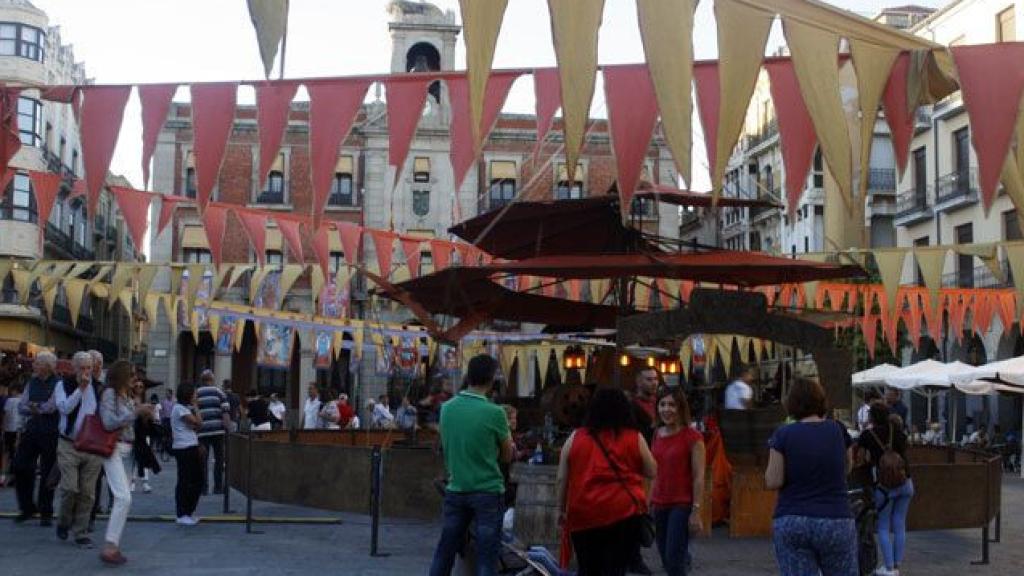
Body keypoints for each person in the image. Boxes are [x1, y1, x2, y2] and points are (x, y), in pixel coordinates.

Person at [557, 387, 657, 576]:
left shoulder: (575, 437)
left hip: (583, 512)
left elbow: (562, 478)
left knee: (587, 568)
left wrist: (561, 509)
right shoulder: (634, 437)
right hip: (623, 512)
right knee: (616, 569)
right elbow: (651, 470)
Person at [429, 355, 513, 576]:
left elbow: (445, 444)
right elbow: (507, 455)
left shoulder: (447, 408)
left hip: (456, 488)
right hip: (487, 491)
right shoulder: (495, 412)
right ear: (491, 379)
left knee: (445, 551)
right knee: (487, 556)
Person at [766, 378, 856, 576]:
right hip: (836, 517)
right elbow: (847, 467)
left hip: (793, 518)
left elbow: (774, 480)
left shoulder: (783, 434)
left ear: (791, 403)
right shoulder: (838, 429)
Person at [98, 360, 154, 565]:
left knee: (123, 498)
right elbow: (108, 422)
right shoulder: (109, 394)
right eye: (131, 374)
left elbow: (131, 423)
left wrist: (143, 413)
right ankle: (110, 546)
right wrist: (135, 413)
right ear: (121, 375)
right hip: (113, 448)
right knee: (123, 497)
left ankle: (113, 545)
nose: (135, 378)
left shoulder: (126, 396)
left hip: (128, 450)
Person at [651, 388, 705, 576]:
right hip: (659, 504)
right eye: (662, 404)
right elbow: (655, 472)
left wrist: (696, 511)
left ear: (681, 408)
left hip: (681, 505)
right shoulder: (657, 434)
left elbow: (699, 476)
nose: (666, 409)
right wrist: (649, 502)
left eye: (672, 405)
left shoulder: (693, 437)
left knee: (674, 561)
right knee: (665, 559)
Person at [54, 351, 105, 548]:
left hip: (92, 446)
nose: (86, 372)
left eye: (88, 368)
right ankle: (64, 521)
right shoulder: (63, 385)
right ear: (73, 368)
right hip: (69, 444)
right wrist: (80, 390)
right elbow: (64, 408)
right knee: (69, 488)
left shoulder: (99, 388)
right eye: (82, 368)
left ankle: (81, 532)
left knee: (87, 493)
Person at [857, 402, 912, 576]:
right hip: (905, 482)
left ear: (871, 416)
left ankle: (888, 568)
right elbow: (905, 451)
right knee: (900, 524)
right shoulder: (898, 432)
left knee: (883, 526)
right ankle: (897, 565)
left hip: (884, 487)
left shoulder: (867, 435)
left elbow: (860, 458)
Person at [14, 353, 61, 525]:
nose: (34, 365)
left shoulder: (58, 383)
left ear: (48, 366)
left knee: (48, 472)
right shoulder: (31, 382)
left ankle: (45, 511)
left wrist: (35, 407)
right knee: (20, 466)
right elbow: (21, 406)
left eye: (38, 363)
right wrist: (38, 407)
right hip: (32, 429)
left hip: (50, 431)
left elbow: (52, 407)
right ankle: (27, 507)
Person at [170, 382, 203, 525]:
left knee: (197, 480)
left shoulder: (185, 409)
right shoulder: (179, 409)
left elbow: (196, 426)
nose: (196, 396)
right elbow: (198, 423)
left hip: (191, 446)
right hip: (184, 448)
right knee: (185, 480)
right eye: (194, 394)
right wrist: (196, 407)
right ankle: (182, 513)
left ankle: (188, 511)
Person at [196, 370, 230, 495]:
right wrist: (227, 429)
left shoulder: (197, 393)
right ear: (212, 380)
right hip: (218, 431)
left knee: (202, 461)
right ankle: (218, 487)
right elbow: (225, 412)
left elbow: (193, 410)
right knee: (219, 460)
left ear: (202, 380)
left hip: (202, 431)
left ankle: (203, 488)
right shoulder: (219, 392)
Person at [2, 382, 23, 487]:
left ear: (14, 390)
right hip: (20, 429)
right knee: (17, 452)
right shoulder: (24, 399)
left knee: (7, 452)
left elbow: (6, 414)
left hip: (9, 429)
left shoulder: (10, 400)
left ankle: (3, 477)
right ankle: (16, 476)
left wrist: (3, 427)